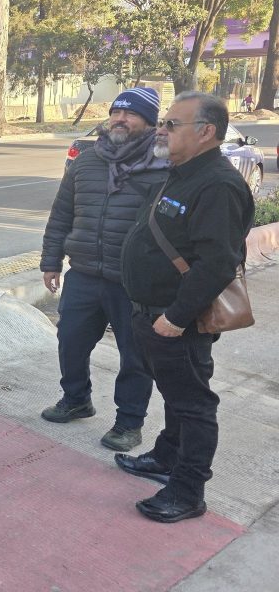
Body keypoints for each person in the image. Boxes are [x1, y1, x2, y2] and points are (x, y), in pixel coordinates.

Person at [116, 91, 254, 523]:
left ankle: (188, 490)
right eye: (164, 122)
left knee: (194, 404)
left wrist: (175, 318)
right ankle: (165, 455)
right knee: (173, 395)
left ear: (206, 132)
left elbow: (218, 263)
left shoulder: (218, 184)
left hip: (178, 320)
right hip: (153, 313)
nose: (162, 128)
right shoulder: (183, 173)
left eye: (172, 124)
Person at [40, 88, 166, 452]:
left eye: (131, 114)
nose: (120, 119)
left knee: (135, 355)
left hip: (133, 283)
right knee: (71, 341)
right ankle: (76, 399)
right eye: (116, 113)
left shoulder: (163, 164)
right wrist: (51, 261)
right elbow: (62, 213)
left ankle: (128, 423)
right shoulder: (88, 160)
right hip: (83, 273)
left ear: (149, 121)